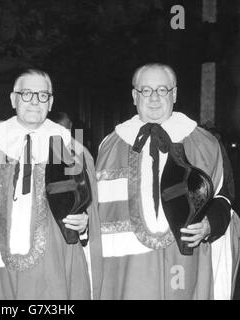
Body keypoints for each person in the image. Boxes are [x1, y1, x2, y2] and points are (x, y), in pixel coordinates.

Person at [0, 69, 102, 299]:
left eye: (42, 95)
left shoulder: (72, 150)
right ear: (13, 99)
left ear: (51, 102)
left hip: (54, 264)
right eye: (26, 94)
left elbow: (90, 216)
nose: (35, 101)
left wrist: (84, 225)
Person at [95, 63, 240, 299]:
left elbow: (225, 196)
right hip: (126, 271)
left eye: (162, 90)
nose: (154, 98)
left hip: (186, 262)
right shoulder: (109, 145)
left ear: (174, 94)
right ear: (134, 96)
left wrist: (209, 225)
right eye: (146, 90)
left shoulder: (206, 144)